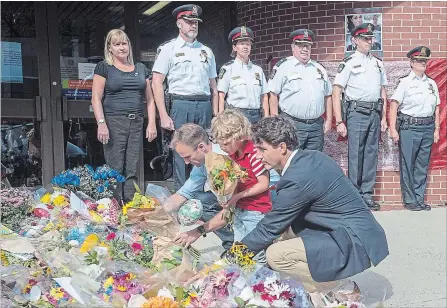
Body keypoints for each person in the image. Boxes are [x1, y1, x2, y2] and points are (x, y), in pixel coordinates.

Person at [235, 117, 389, 304]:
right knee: (284, 235)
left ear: (282, 147)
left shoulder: (298, 177)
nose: (257, 156)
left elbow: (268, 228)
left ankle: (342, 287)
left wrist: (231, 259)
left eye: (262, 149)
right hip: (348, 230)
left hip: (353, 238)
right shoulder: (309, 158)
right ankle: (315, 291)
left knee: (276, 255)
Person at [174, 110, 272, 263]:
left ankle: (259, 280)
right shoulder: (228, 157)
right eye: (221, 144)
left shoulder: (253, 154)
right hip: (240, 210)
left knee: (254, 253)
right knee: (239, 249)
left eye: (226, 143)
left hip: (256, 210)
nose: (223, 147)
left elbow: (264, 184)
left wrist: (237, 196)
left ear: (239, 137)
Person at [152, 4, 218, 190]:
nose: (193, 26)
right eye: (189, 22)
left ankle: (207, 195)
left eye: (196, 22)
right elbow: (156, 82)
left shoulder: (207, 51)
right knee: (182, 152)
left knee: (205, 150)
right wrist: (163, 115)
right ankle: (182, 197)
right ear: (179, 24)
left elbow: (213, 86)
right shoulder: (168, 49)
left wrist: (215, 114)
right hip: (181, 104)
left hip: (203, 104)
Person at [91, 29, 157, 203]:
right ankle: (113, 206)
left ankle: (130, 205)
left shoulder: (141, 68)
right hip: (114, 122)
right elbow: (96, 98)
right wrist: (101, 123)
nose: (121, 47)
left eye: (124, 43)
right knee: (115, 167)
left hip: (136, 122)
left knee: (132, 167)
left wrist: (151, 124)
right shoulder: (104, 67)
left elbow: (150, 100)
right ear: (109, 48)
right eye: (117, 44)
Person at [332, 23, 388, 211]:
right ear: (354, 40)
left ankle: (367, 193)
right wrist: (339, 120)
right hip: (356, 113)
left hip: (374, 113)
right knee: (355, 154)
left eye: (370, 38)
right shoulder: (348, 62)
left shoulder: (378, 63)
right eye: (364, 39)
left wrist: (384, 118)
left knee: (371, 154)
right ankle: (355, 195)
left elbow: (382, 91)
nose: (368, 42)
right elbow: (337, 90)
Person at [162, 123, 234, 250]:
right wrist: (159, 213)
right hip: (231, 208)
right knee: (203, 206)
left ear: (201, 147)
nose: (186, 162)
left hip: (249, 212)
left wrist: (198, 231)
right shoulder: (203, 162)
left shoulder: (223, 164)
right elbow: (184, 193)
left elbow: (232, 211)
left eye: (188, 157)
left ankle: (233, 244)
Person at [389, 46, 441, 211]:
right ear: (411, 62)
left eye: (425, 60)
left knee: (422, 164)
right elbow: (394, 106)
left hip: (427, 126)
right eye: (419, 60)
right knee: (407, 164)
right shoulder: (405, 82)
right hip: (409, 127)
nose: (423, 63)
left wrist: (436, 129)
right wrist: (392, 129)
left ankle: (419, 199)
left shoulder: (431, 83)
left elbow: (437, 107)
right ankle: (410, 200)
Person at [269, 29, 333, 152]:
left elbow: (328, 95)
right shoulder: (283, 66)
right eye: (301, 45)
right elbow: (273, 94)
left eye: (308, 46)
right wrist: (275, 120)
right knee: (293, 161)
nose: (305, 49)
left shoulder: (319, 68)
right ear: (293, 47)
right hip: (292, 124)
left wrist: (329, 120)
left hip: (316, 126)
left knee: (314, 161)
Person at [217, 26, 269, 123]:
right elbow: (221, 96)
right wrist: (221, 118)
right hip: (236, 117)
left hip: (256, 117)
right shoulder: (228, 68)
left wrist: (266, 118)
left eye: (248, 44)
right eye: (241, 44)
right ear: (234, 47)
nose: (245, 47)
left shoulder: (258, 70)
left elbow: (264, 96)